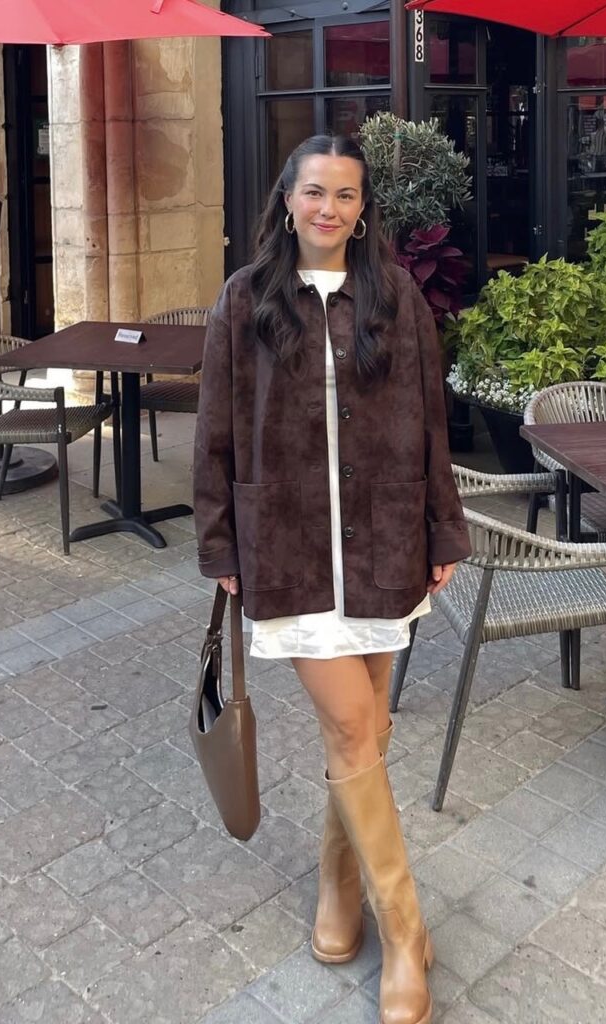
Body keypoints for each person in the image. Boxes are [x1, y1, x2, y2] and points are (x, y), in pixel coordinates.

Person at [193, 134, 471, 1024]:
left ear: (363, 208)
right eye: (315, 192)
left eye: (346, 196)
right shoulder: (245, 301)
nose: (330, 209)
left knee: (366, 740)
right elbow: (214, 434)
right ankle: (406, 934)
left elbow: (434, 424)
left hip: (387, 547)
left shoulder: (398, 299)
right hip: (289, 550)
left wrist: (444, 526)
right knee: (355, 729)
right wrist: (221, 545)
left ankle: (336, 893)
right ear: (287, 199)